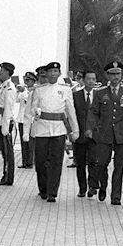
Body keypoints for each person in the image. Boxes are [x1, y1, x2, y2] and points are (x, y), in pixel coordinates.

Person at [87, 61, 123, 205]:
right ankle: (103, 186)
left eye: (118, 73)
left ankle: (116, 196)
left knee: (119, 166)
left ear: (121, 75)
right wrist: (90, 128)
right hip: (104, 134)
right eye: (113, 74)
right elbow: (93, 113)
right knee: (102, 164)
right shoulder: (100, 93)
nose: (116, 77)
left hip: (122, 135)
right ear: (107, 75)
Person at [24, 61, 79, 202]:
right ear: (46, 74)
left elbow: (71, 111)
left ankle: (52, 192)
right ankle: (43, 188)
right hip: (42, 129)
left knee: (56, 162)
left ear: (59, 74)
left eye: (56, 71)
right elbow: (31, 110)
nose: (53, 74)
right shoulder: (39, 90)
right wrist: (27, 129)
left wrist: (75, 130)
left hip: (59, 130)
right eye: (50, 72)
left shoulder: (65, 89)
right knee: (41, 161)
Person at [73, 70, 99, 197]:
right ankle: (82, 188)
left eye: (93, 79)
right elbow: (72, 115)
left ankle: (93, 186)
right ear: (83, 80)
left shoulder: (99, 95)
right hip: (80, 134)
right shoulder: (76, 95)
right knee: (80, 163)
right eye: (88, 79)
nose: (91, 81)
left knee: (94, 161)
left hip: (94, 135)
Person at [0, 61, 18, 186]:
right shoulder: (4, 86)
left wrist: (5, 127)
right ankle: (6, 175)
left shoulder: (9, 87)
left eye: (1, 71)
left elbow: (8, 108)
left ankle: (8, 177)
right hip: (1, 120)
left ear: (7, 72)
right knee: (5, 152)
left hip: (6, 123)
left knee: (8, 152)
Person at [17, 72, 37, 168]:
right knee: (23, 142)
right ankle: (24, 161)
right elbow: (17, 99)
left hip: (30, 120)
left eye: (28, 80)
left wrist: (24, 90)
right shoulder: (24, 92)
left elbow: (27, 98)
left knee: (30, 143)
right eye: (26, 80)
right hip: (21, 118)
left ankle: (30, 161)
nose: (26, 82)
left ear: (33, 81)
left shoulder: (33, 92)